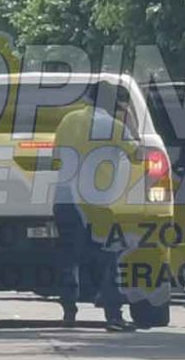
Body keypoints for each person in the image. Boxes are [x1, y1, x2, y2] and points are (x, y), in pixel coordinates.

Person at [53, 81, 139, 332]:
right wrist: (129, 120)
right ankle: (113, 316)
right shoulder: (114, 126)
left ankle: (69, 311)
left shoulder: (68, 120)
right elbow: (138, 155)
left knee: (69, 257)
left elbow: (55, 156)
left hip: (64, 197)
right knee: (109, 257)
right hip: (95, 203)